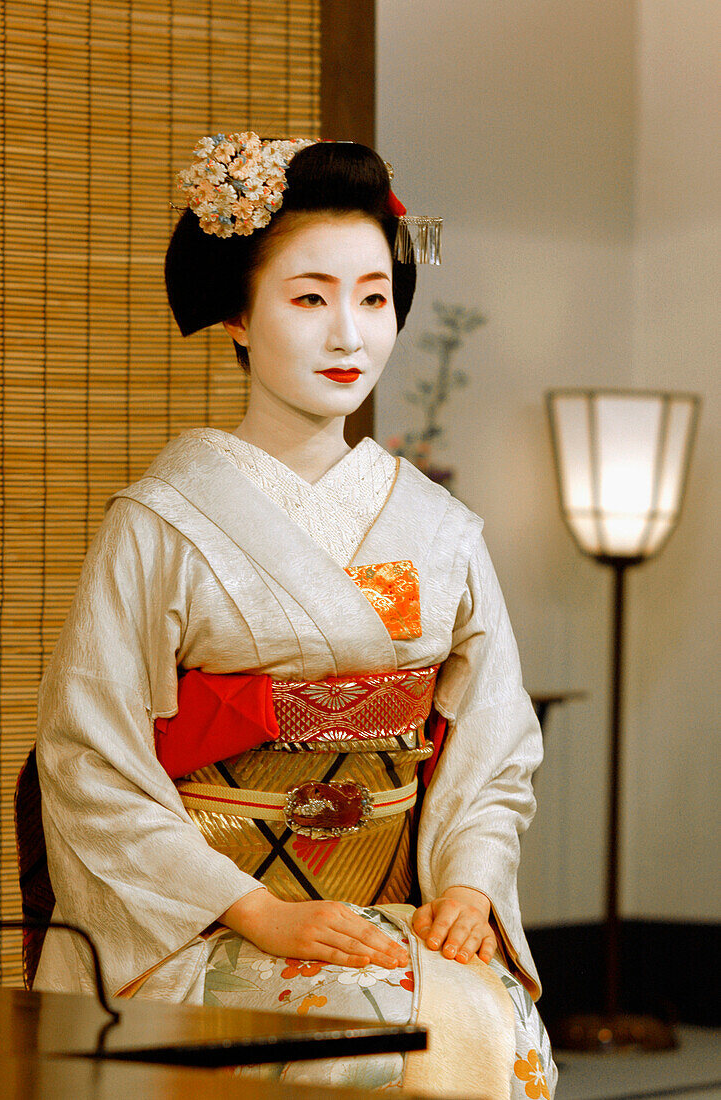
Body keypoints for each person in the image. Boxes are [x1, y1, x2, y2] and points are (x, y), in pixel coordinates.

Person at [33, 133, 557, 1097]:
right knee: (354, 1049)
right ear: (237, 313)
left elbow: (491, 741)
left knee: (485, 1020)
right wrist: (253, 910)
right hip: (209, 917)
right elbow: (89, 762)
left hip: (396, 901)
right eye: (309, 297)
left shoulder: (440, 529)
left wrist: (471, 884)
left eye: (372, 296)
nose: (349, 335)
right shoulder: (160, 523)